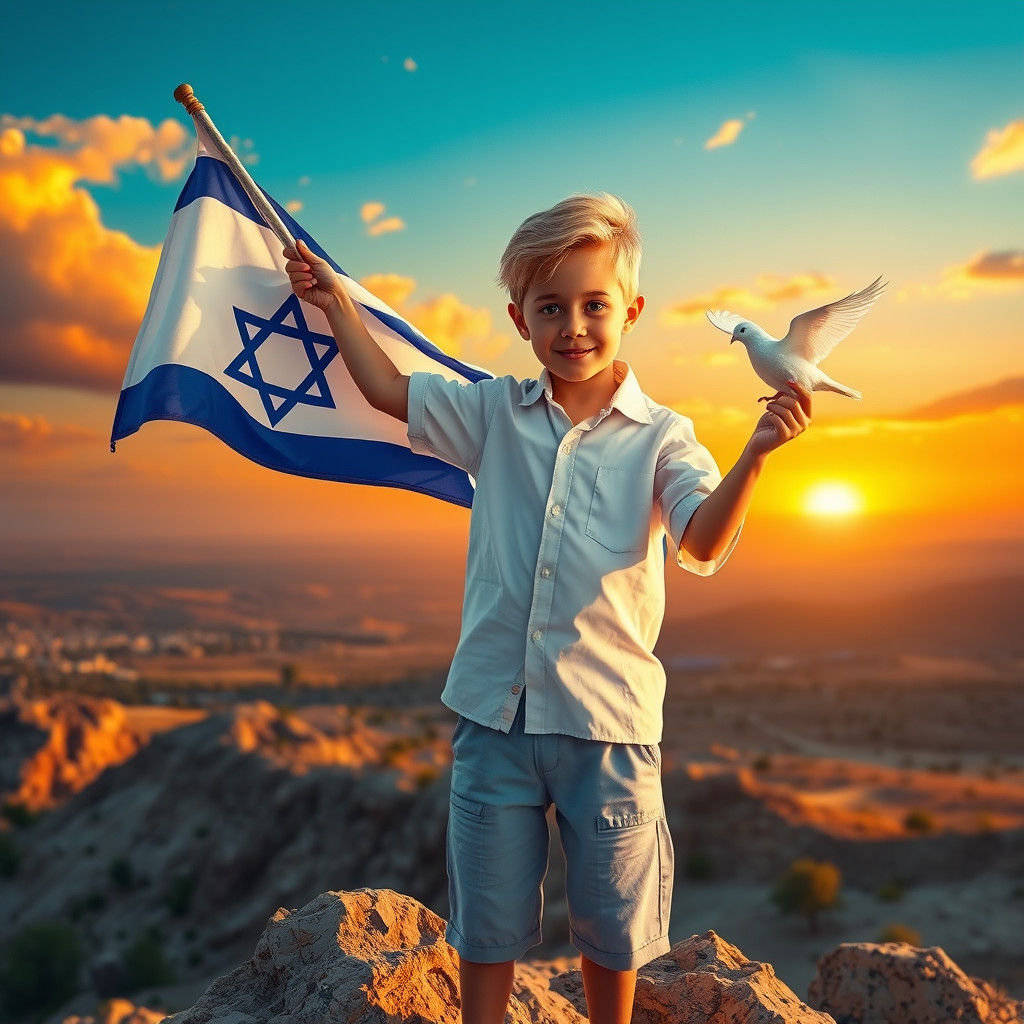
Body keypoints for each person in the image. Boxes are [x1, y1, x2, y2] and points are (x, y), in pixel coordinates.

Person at [282, 192, 811, 1024]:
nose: (574, 326)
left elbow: (702, 545)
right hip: (494, 719)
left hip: (610, 729)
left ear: (630, 310)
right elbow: (385, 387)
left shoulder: (665, 437)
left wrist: (756, 454)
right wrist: (337, 303)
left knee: (611, 931)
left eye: (594, 305)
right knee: (486, 928)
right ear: (520, 318)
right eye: (551, 307)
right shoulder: (492, 412)